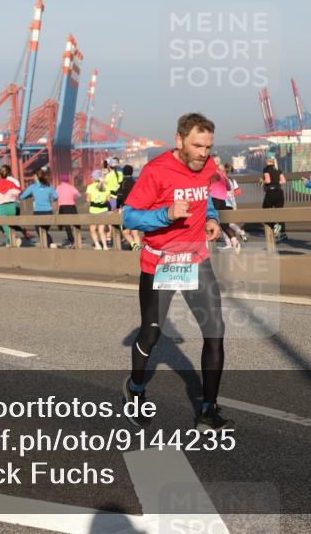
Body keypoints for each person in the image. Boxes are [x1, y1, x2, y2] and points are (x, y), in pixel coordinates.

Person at [121, 112, 232, 432]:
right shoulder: (156, 171)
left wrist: (212, 219)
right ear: (179, 140)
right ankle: (136, 388)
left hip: (196, 259)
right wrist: (166, 215)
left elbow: (205, 198)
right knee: (151, 333)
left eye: (208, 146)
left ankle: (208, 410)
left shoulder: (207, 166)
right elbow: (129, 218)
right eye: (197, 146)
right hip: (162, 263)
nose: (203, 153)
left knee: (215, 332)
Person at [20, 168, 59, 248]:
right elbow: (56, 197)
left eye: (34, 176)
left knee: (40, 231)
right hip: (48, 211)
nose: (33, 177)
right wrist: (50, 200)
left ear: (36, 176)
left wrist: (30, 195)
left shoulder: (33, 187)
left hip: (38, 212)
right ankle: (49, 245)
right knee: (44, 230)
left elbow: (22, 197)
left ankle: (49, 244)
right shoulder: (49, 186)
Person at [209, 157, 240, 254]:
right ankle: (234, 240)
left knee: (210, 219)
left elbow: (207, 185)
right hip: (223, 200)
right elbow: (227, 187)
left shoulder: (212, 173)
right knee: (223, 223)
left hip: (215, 199)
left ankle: (209, 246)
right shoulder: (221, 174)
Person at [262, 156, 288, 241]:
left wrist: (262, 181)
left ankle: (273, 227)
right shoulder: (277, 168)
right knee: (279, 212)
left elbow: (268, 181)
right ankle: (283, 232)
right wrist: (277, 183)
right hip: (279, 193)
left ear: (267, 161)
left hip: (271, 193)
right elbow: (283, 181)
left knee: (265, 211)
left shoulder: (266, 169)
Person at [116, 164, 141, 250]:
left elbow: (119, 198)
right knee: (135, 233)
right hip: (136, 209)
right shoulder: (136, 183)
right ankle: (137, 251)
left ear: (123, 172)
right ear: (132, 172)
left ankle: (133, 244)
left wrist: (118, 207)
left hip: (126, 209)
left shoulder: (122, 184)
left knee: (125, 232)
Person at [222, 162, 248, 245]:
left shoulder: (222, 180)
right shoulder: (232, 180)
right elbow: (239, 191)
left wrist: (227, 194)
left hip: (225, 204)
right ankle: (240, 232)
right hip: (233, 204)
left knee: (224, 224)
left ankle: (229, 243)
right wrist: (232, 193)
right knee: (230, 223)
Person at [86, 171, 112, 250]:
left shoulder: (90, 187)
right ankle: (105, 246)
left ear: (94, 178)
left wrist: (95, 199)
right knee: (101, 230)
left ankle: (97, 245)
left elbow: (88, 199)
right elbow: (108, 199)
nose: (90, 178)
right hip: (103, 210)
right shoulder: (105, 186)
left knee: (93, 229)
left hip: (93, 210)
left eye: (91, 177)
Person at [55, 173, 82, 247]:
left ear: (61, 180)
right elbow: (79, 195)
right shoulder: (71, 187)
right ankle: (78, 238)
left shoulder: (58, 187)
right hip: (72, 206)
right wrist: (74, 197)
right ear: (68, 180)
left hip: (63, 207)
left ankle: (72, 241)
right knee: (76, 223)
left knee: (67, 225)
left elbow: (55, 196)